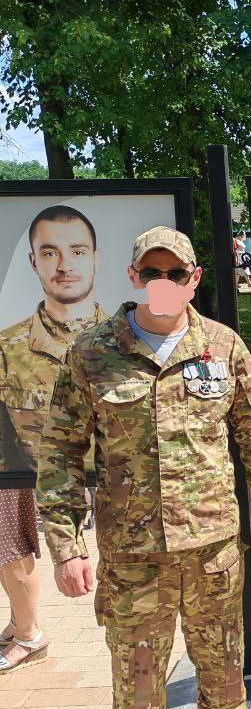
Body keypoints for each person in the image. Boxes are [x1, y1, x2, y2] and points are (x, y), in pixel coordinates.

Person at [37, 226, 251, 709]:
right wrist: (67, 547)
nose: (165, 283)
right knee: (138, 682)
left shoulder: (222, 347)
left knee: (223, 669)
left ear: (194, 280)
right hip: (133, 558)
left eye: (176, 274)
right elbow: (62, 455)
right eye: (153, 271)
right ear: (133, 277)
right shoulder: (93, 354)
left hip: (212, 552)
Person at [0, 205, 106, 672]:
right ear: (33, 262)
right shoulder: (7, 348)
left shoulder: (131, 340)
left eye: (76, 251)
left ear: (95, 258)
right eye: (50, 252)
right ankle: (24, 626)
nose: (64, 264)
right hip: (33, 481)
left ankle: (25, 628)